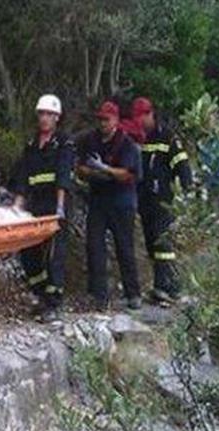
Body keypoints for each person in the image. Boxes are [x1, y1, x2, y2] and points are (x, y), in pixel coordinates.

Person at [8, 95, 75, 323]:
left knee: (54, 254)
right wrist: (16, 207)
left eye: (49, 114)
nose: (44, 118)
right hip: (36, 203)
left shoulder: (64, 143)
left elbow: (63, 175)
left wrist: (60, 208)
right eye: (42, 114)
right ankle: (40, 294)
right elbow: (23, 177)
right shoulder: (32, 145)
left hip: (56, 203)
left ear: (57, 117)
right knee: (29, 251)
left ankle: (54, 302)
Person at [76, 101, 143, 311]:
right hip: (98, 199)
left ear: (116, 120)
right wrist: (90, 172)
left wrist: (104, 169)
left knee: (124, 247)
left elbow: (127, 174)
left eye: (107, 119)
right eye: (100, 119)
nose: (103, 123)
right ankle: (99, 296)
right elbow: (80, 166)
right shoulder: (90, 140)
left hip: (122, 201)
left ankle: (133, 293)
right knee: (94, 246)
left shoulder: (126, 144)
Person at [130, 97, 192, 305]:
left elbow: (182, 166)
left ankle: (168, 286)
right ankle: (165, 286)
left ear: (150, 114)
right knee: (151, 242)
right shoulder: (141, 139)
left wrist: (187, 191)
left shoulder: (167, 137)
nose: (139, 122)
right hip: (145, 200)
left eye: (142, 117)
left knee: (162, 241)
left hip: (164, 200)